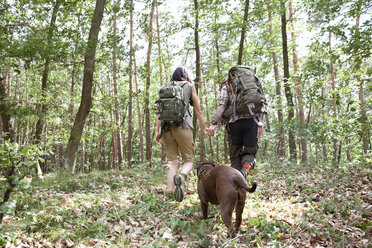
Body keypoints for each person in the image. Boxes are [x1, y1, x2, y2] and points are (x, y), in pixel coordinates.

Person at [155, 67, 209, 202]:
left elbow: (158, 113)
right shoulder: (189, 86)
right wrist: (204, 128)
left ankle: (168, 192)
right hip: (184, 127)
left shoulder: (165, 88)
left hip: (167, 129)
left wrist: (157, 132)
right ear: (185, 76)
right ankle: (182, 177)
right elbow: (198, 110)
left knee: (173, 162)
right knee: (188, 160)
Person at [206, 77, 263, 178]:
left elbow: (222, 105)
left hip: (234, 124)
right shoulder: (252, 87)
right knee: (250, 153)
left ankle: (236, 183)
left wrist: (214, 123)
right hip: (252, 122)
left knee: (235, 157)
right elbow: (261, 104)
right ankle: (244, 171)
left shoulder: (226, 87)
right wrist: (260, 124)